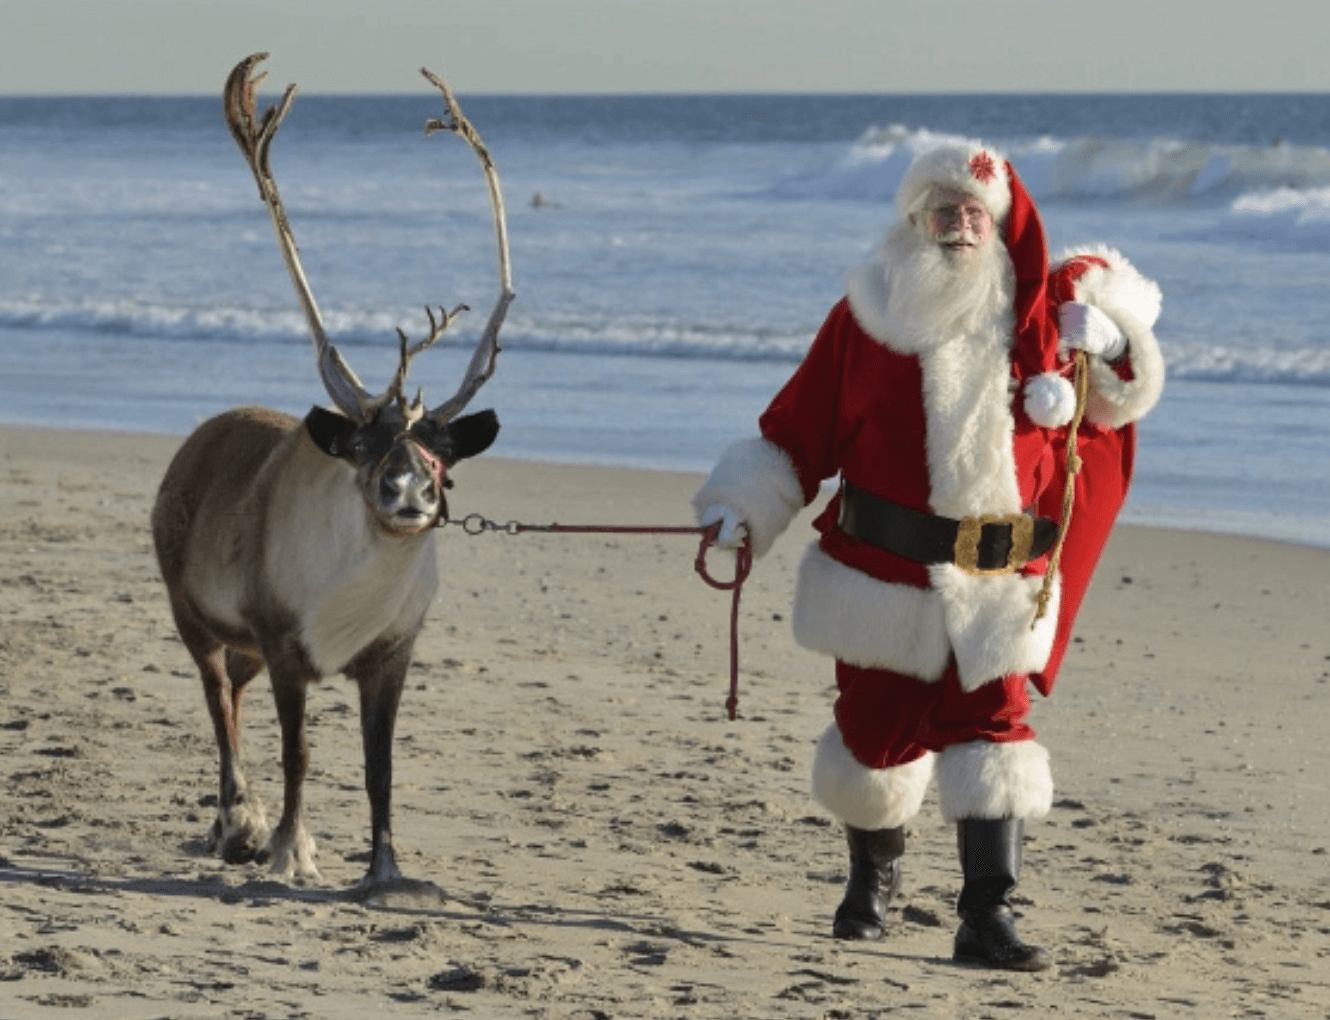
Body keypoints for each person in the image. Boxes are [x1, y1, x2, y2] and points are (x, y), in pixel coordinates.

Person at [692, 141, 1164, 971]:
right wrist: (741, 508)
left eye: (975, 212)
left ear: (1002, 226)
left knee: (996, 738)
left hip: (997, 582)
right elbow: (797, 431)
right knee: (873, 743)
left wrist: (1116, 347)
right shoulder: (865, 319)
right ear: (914, 221)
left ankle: (988, 914)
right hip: (882, 576)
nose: (959, 225)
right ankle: (873, 877)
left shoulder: (1046, 330)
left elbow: (1111, 413)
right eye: (942, 211)